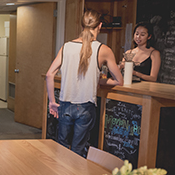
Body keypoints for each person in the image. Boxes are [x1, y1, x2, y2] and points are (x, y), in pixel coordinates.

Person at [45, 9, 123, 157]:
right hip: (86, 106)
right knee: (78, 151)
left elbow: (49, 75)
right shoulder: (104, 49)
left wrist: (52, 102)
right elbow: (119, 81)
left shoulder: (66, 46)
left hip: (65, 104)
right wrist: (98, 80)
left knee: (61, 148)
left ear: (81, 27)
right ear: (99, 26)